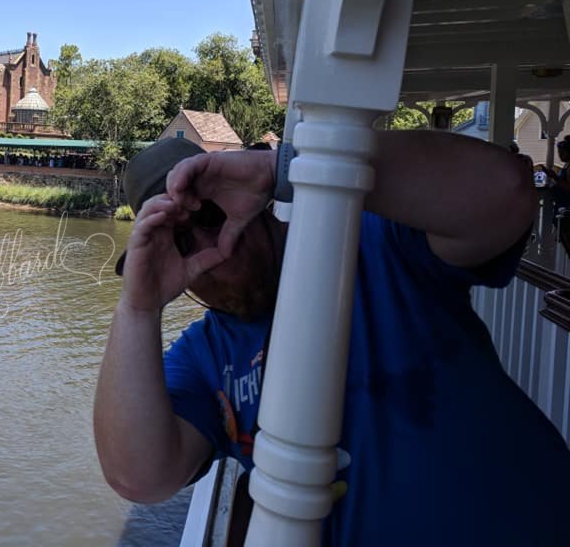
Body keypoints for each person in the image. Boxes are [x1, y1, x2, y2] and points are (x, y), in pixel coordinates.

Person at [94, 133, 570, 545]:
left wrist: (284, 168)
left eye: (209, 214)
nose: (205, 249)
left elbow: (505, 191)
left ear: (246, 199)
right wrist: (140, 305)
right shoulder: (204, 357)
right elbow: (139, 475)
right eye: (174, 240)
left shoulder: (369, 237)